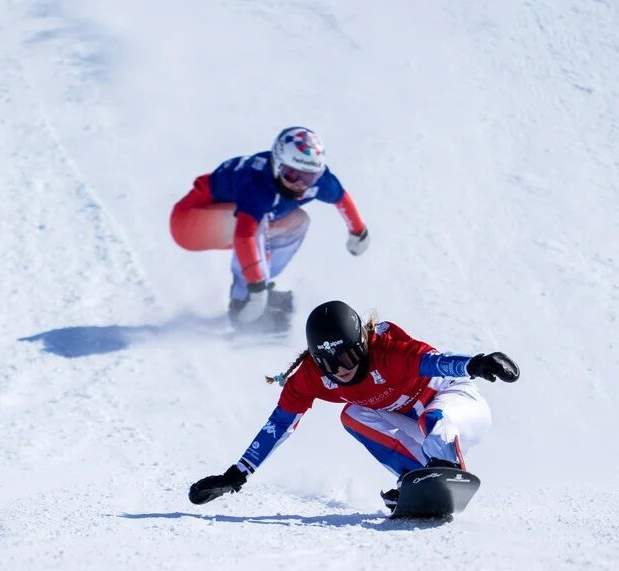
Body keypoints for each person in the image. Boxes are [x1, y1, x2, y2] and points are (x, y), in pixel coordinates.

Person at [187, 301, 520, 510]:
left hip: (458, 405)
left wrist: (474, 363)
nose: (341, 369)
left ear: (362, 344)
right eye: (329, 363)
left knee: (434, 418)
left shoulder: (387, 350)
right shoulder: (313, 376)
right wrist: (237, 474)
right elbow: (279, 424)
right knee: (352, 415)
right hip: (413, 425)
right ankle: (417, 478)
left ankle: (446, 470)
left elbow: (435, 362)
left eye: (347, 356)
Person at [169, 126, 370, 331]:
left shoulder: (320, 182)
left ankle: (254, 288)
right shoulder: (257, 183)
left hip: (225, 221)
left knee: (298, 221)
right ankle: (243, 300)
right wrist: (256, 290)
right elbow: (244, 235)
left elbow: (341, 198)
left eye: (308, 177)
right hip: (188, 222)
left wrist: (358, 232)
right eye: (291, 174)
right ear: (276, 164)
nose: (300, 184)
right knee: (260, 221)